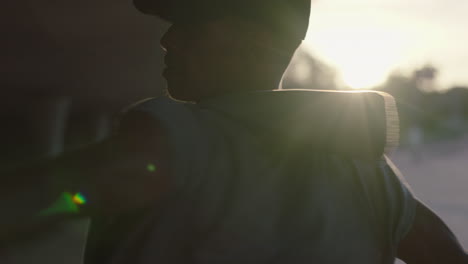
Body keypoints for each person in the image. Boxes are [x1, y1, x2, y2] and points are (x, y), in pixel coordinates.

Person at [3, 0, 467, 263]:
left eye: (193, 23)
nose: (168, 39)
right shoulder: (374, 175)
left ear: (258, 39)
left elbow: (30, 202)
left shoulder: (174, 135)